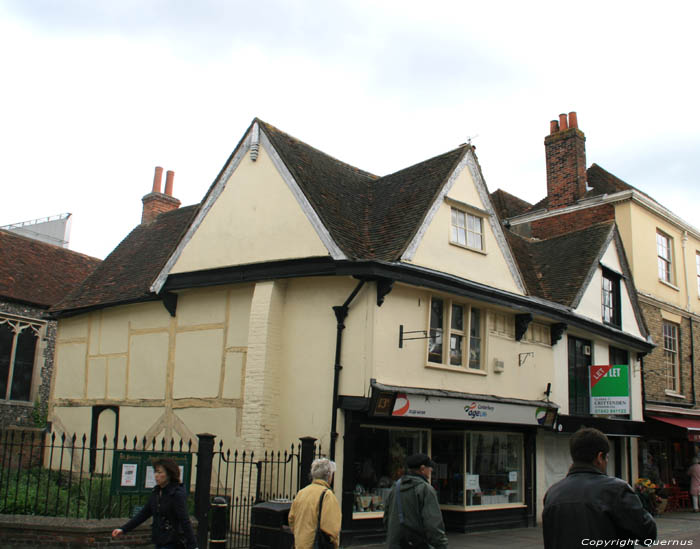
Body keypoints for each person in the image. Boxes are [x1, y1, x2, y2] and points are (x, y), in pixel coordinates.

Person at [543, 428, 657, 548]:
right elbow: (648, 534)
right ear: (599, 457)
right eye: (607, 457)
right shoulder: (616, 490)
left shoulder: (552, 493)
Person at [112, 458, 198, 549]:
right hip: (159, 540)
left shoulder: (176, 494)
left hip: (173, 541)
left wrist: (193, 545)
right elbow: (143, 514)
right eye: (155, 472)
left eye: (160, 472)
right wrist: (123, 529)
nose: (156, 475)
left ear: (169, 474)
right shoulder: (156, 492)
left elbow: (184, 520)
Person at [383, 453, 448, 549]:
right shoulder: (425, 489)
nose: (431, 470)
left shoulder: (395, 487)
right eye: (429, 467)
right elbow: (433, 525)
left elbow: (386, 519)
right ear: (422, 469)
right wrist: (442, 545)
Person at [289, 458, 342, 548]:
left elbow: (291, 519)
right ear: (329, 476)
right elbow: (332, 528)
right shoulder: (327, 495)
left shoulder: (301, 493)